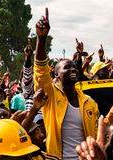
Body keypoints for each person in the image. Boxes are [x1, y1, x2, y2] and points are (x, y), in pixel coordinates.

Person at [33, 8, 99, 159]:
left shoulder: (89, 103)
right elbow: (41, 71)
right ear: (56, 74)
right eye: (67, 67)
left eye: (74, 66)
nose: (73, 69)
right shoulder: (49, 95)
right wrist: (41, 39)